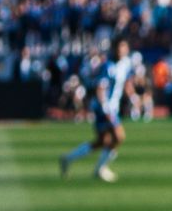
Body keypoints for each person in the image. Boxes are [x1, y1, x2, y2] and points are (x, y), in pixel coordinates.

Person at [60, 37, 142, 183]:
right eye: (118, 47)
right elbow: (100, 88)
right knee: (119, 136)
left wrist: (134, 98)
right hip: (103, 108)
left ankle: (68, 158)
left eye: (123, 47)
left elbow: (126, 84)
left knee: (102, 142)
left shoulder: (126, 64)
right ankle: (99, 169)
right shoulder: (108, 66)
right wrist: (106, 110)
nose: (120, 50)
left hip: (112, 108)